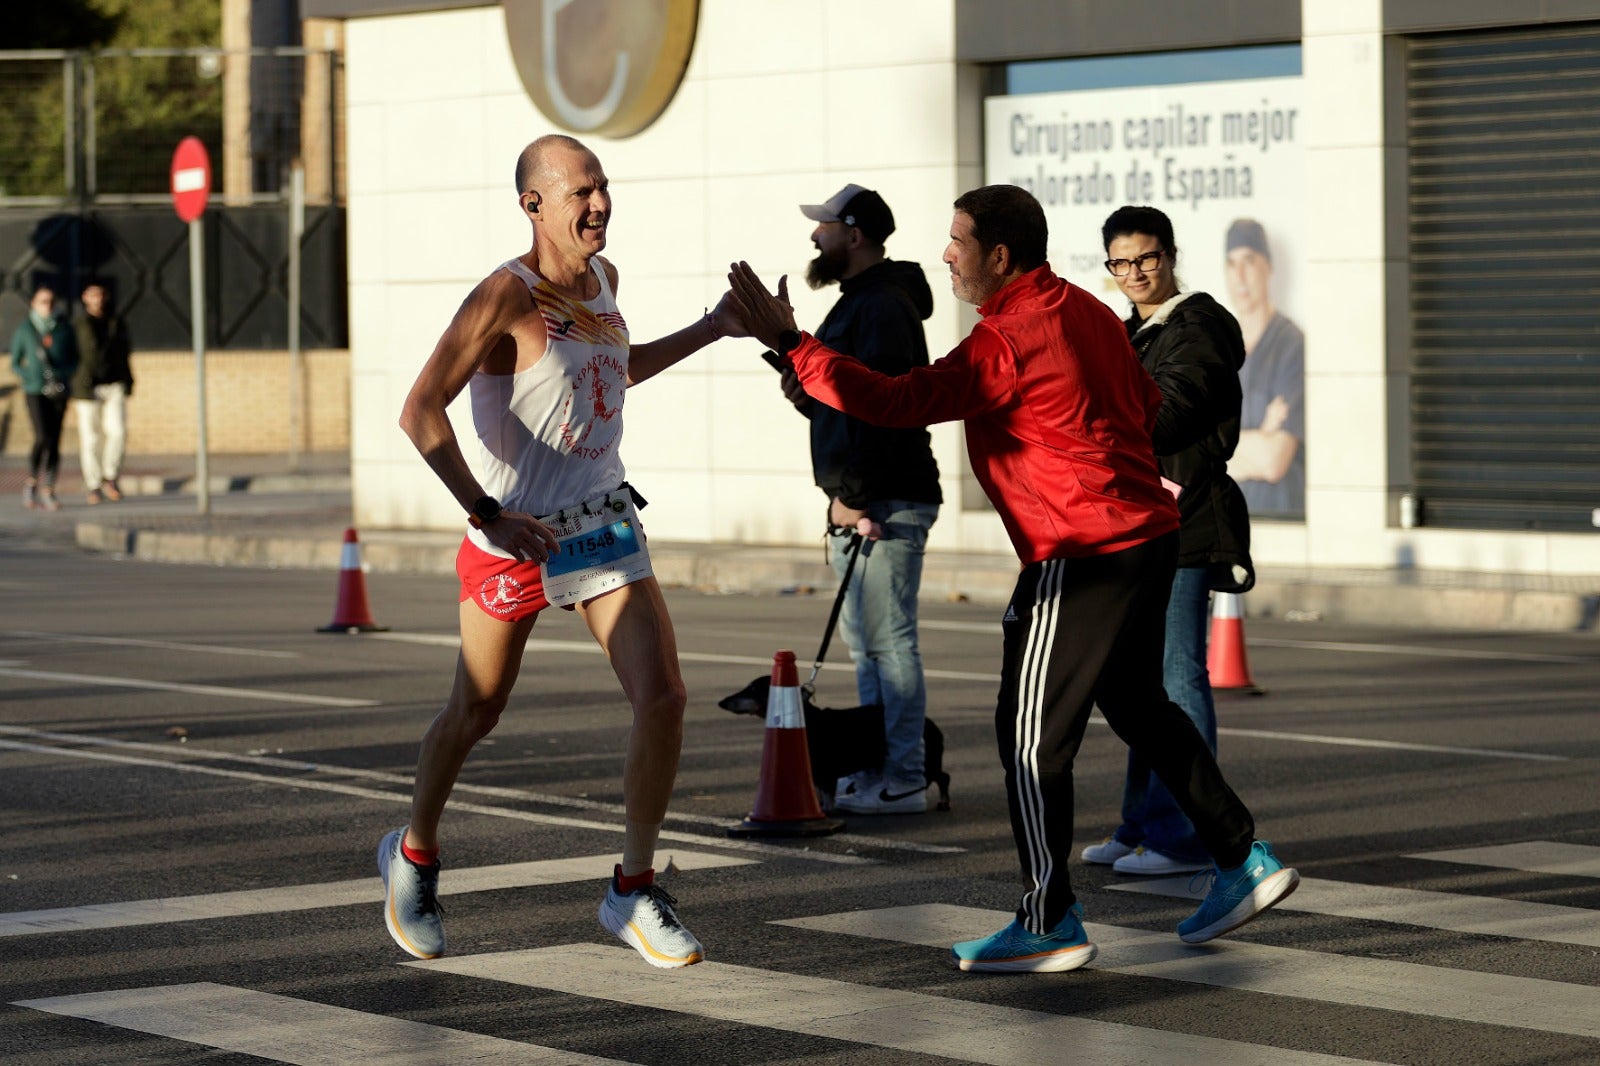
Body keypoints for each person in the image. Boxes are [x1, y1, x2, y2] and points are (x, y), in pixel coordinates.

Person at [728, 184, 1297, 974]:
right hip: (1142, 539)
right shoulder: (1085, 312)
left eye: (957, 241)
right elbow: (1141, 405)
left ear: (999, 256)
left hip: (1082, 549)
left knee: (1029, 739)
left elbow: (899, 400)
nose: (946, 253)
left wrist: (793, 343)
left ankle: (1049, 917)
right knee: (1138, 705)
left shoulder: (1010, 339)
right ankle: (1242, 859)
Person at [381, 133, 741, 970]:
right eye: (580, 191)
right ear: (533, 205)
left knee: (664, 697)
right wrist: (487, 510)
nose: (599, 203)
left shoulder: (605, 283)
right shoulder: (505, 295)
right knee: (477, 709)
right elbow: (420, 411)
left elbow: (614, 371)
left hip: (598, 522)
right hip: (514, 534)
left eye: (603, 186)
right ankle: (414, 853)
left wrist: (713, 327)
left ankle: (632, 886)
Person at [1081, 205, 1254, 878]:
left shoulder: (1199, 325)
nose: (1135, 273)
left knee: (1178, 682)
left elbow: (1167, 413)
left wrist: (1092, 418)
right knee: (1142, 687)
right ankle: (1142, 824)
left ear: (1171, 255)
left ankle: (1187, 837)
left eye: (1147, 258)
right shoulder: (1136, 333)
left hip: (1185, 523)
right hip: (1139, 523)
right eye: (1120, 262)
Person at [779, 183, 941, 814]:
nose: (814, 236)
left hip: (884, 500)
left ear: (855, 233)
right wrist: (797, 370)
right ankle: (884, 769)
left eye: (824, 226)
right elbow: (842, 400)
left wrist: (854, 497)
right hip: (866, 498)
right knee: (871, 646)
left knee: (891, 643)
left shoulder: (881, 306)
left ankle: (903, 777)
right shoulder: (859, 303)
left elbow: (886, 409)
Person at [1224, 218, 1305, 517]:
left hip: (1279, 519)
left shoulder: (1290, 346)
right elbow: (1186, 456)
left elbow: (1273, 461)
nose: (1240, 275)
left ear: (1268, 267)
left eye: (1249, 261)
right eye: (1232, 264)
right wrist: (1260, 435)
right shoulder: (1216, 348)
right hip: (1226, 523)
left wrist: (1213, 450)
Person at [9, 283, 77, 512]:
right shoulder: (25, 330)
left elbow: (75, 359)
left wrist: (63, 374)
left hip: (58, 390)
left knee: (55, 440)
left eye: (50, 301)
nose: (47, 306)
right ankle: (31, 481)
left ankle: (49, 488)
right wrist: (29, 375)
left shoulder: (64, 328)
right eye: (42, 301)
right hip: (35, 390)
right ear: (33, 304)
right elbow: (15, 362)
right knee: (42, 436)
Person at [71, 281, 135, 505]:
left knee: (117, 431)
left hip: (114, 383)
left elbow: (125, 352)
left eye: (101, 294)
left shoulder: (115, 321)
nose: (97, 299)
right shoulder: (78, 324)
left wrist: (128, 379)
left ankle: (111, 476)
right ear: (85, 298)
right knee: (91, 439)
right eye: (92, 295)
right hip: (87, 387)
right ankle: (93, 484)